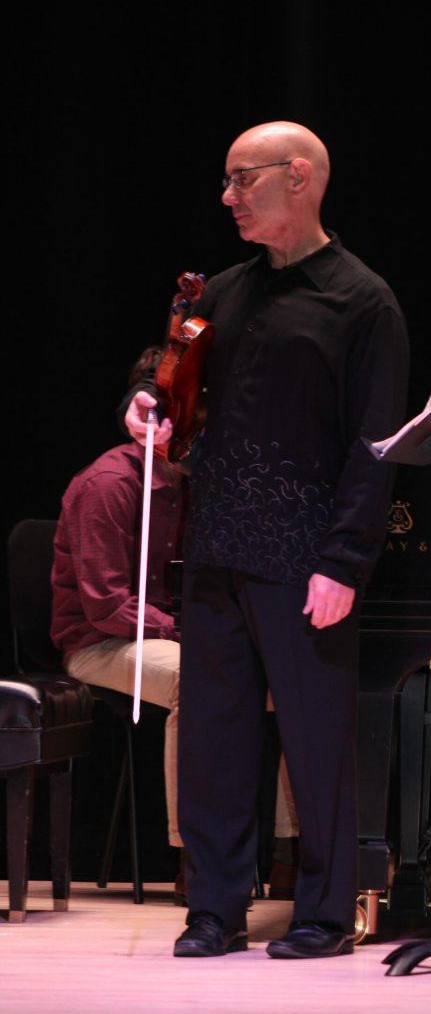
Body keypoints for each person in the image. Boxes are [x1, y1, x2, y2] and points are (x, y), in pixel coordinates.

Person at [124, 121, 409, 958]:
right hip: (213, 546)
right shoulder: (221, 291)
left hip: (304, 556)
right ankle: (214, 909)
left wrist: (345, 560)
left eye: (242, 180)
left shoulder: (363, 302)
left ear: (300, 177)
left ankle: (324, 914)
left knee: (317, 740)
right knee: (215, 735)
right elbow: (164, 371)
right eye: (226, 182)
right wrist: (142, 398)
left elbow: (376, 445)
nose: (229, 197)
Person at [51, 348, 187, 896]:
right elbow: (107, 606)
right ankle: (196, 857)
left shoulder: (187, 483)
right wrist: (190, 632)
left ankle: (286, 851)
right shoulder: (108, 483)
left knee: (280, 677)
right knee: (199, 680)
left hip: (160, 634)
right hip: (100, 643)